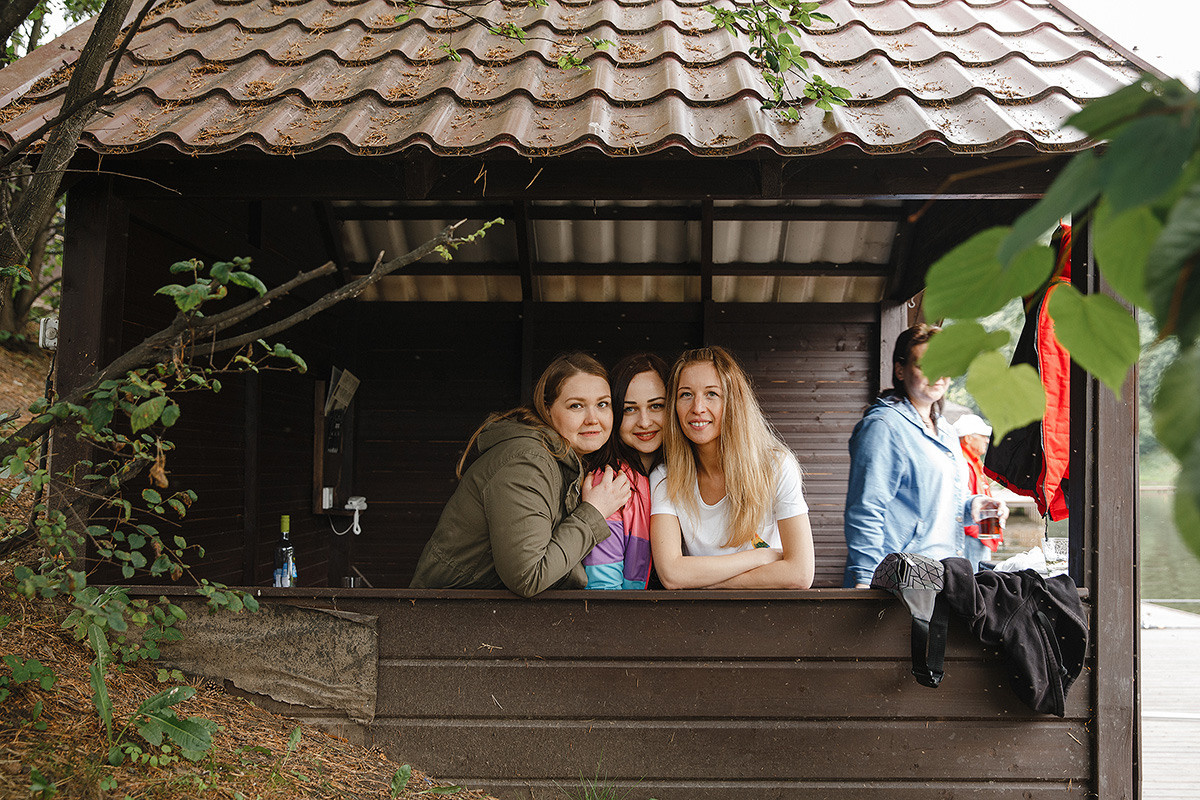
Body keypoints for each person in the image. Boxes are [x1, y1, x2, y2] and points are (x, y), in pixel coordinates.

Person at [410, 352, 631, 597]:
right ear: (547, 410)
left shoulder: (560, 458)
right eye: (576, 406)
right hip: (448, 614)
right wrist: (594, 512)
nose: (593, 419)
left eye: (602, 404)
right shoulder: (527, 463)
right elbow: (529, 577)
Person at [842, 324, 1007, 588]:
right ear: (900, 370)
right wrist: (864, 581)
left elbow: (947, 501)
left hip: (943, 577)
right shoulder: (884, 426)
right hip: (897, 583)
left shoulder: (946, 431)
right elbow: (865, 509)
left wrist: (973, 505)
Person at [649, 346, 815, 589]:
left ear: (733, 401)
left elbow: (800, 574)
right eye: (686, 394)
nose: (697, 407)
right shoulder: (665, 478)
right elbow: (672, 575)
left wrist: (705, 584)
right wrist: (762, 556)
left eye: (712, 394)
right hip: (699, 620)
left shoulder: (776, 466)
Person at [582, 353, 670, 589]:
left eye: (656, 406)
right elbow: (603, 589)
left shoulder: (681, 474)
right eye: (630, 410)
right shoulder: (609, 483)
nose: (644, 422)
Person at [955, 412, 1000, 568]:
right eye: (983, 436)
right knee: (975, 581)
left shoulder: (973, 461)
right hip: (972, 536)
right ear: (968, 438)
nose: (987, 440)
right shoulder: (962, 464)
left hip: (980, 534)